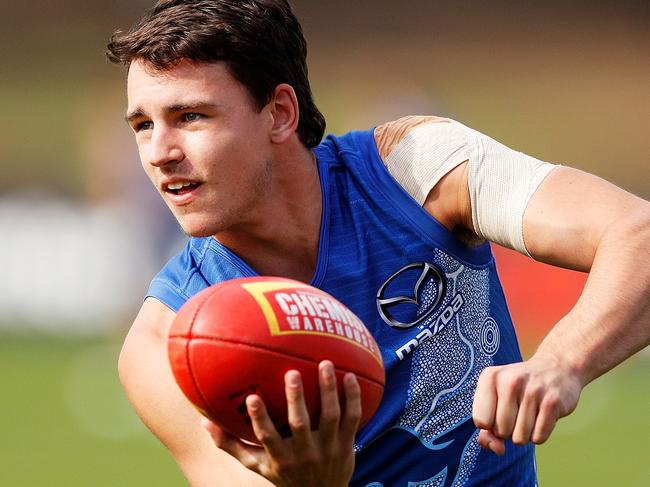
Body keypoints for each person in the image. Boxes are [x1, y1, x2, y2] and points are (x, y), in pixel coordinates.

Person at [106, 1, 650, 486]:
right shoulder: (166, 343)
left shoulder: (416, 171)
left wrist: (561, 363)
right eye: (142, 125)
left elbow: (638, 234)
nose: (159, 152)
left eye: (190, 116)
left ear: (279, 114)